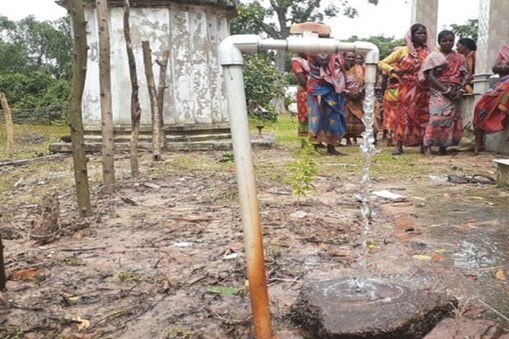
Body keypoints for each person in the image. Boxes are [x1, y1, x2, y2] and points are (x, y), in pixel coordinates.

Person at [378, 23, 433, 155]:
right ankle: (399, 145)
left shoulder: (430, 52)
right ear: (412, 36)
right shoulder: (402, 51)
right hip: (406, 89)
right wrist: (394, 70)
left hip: (424, 89)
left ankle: (423, 145)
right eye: (419, 33)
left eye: (424, 33)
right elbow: (381, 63)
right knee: (403, 116)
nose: (423, 36)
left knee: (423, 116)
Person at [421, 30, 467, 155]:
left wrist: (460, 90)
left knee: (450, 120)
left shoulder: (460, 57)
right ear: (439, 42)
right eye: (444, 41)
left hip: (455, 91)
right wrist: (445, 90)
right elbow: (430, 76)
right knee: (436, 118)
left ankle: (443, 146)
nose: (448, 43)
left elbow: (464, 75)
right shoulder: (434, 56)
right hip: (438, 91)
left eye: (451, 40)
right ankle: (427, 146)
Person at [307, 52, 348, 155]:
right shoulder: (314, 50)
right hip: (317, 88)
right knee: (316, 117)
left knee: (334, 118)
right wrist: (333, 56)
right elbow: (323, 61)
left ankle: (331, 147)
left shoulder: (337, 52)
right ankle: (314, 147)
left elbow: (346, 66)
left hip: (333, 89)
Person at [473, 44, 509, 154]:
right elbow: (495, 68)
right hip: (502, 84)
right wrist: (504, 68)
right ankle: (478, 143)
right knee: (481, 106)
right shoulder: (505, 49)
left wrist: (504, 68)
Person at [343, 51, 366, 145]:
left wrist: (360, 91)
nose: (351, 59)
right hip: (345, 96)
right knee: (346, 118)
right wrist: (347, 92)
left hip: (359, 96)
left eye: (353, 57)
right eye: (349, 57)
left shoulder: (361, 69)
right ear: (344, 58)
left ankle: (356, 138)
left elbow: (367, 81)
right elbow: (337, 83)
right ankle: (347, 139)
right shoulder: (341, 69)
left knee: (358, 118)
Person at [291, 53, 310, 137]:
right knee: (305, 116)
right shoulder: (296, 61)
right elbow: (302, 80)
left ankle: (317, 141)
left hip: (315, 91)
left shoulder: (313, 58)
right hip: (304, 92)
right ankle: (305, 140)